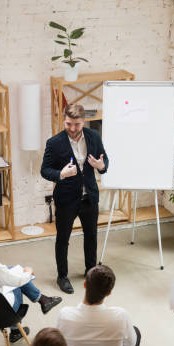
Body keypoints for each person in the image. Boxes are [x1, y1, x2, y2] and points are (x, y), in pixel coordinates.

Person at [41, 103, 109, 294]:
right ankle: (62, 277)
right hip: (66, 200)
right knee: (63, 239)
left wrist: (101, 165)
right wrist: (61, 174)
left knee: (91, 237)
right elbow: (44, 170)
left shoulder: (94, 137)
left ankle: (91, 272)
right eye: (69, 124)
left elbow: (105, 161)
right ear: (64, 120)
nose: (72, 128)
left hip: (89, 197)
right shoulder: (54, 143)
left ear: (83, 122)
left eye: (76, 125)